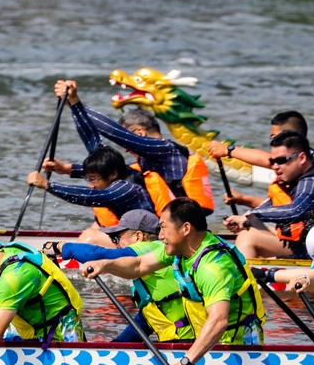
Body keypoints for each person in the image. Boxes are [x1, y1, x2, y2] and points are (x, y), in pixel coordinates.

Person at [82, 198, 265, 365]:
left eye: (163, 228)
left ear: (185, 229)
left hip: (236, 353)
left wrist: (186, 363)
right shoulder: (184, 249)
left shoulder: (211, 267)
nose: (160, 235)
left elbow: (219, 320)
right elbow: (139, 265)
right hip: (210, 346)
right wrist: (105, 264)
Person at [49, 80, 214, 215]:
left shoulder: (163, 148)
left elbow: (116, 134)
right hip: (161, 221)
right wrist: (68, 169)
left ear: (140, 132)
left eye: (130, 139)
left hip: (181, 225)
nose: (126, 150)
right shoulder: (146, 160)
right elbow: (103, 157)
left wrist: (77, 103)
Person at [45, 209, 192, 343]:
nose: (116, 244)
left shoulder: (151, 247)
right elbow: (143, 323)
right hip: (179, 340)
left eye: (117, 238)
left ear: (138, 236)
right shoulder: (153, 270)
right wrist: (113, 346)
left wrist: (60, 246)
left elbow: (101, 255)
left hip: (188, 343)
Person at [223, 131, 314, 259]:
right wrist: (247, 217)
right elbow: (273, 205)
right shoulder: (296, 178)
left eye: (281, 160)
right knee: (250, 225)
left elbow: (296, 210)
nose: (275, 166)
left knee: (247, 238)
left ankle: (245, 274)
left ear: (302, 158)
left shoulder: (312, 183)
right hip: (305, 244)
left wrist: (254, 214)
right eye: (272, 161)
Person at [27, 145, 155, 247]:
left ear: (113, 174)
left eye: (93, 179)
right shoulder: (118, 178)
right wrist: (66, 168)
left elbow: (93, 196)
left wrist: (47, 185)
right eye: (88, 179)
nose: (91, 185)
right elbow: (91, 139)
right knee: (95, 227)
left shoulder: (126, 189)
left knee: (90, 237)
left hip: (149, 243)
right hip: (133, 238)